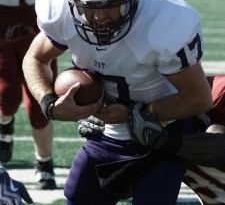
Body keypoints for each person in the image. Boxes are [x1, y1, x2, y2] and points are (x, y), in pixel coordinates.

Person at [22, 0, 212, 205]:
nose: (98, 17)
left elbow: (198, 99)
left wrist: (138, 113)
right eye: (88, 7)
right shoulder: (62, 12)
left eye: (109, 6)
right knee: (77, 199)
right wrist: (49, 103)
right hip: (105, 134)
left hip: (160, 134)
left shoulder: (162, 23)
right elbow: (34, 58)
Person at [78, 74, 225, 205]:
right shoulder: (172, 111)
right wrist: (110, 138)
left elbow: (217, 150)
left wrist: (162, 140)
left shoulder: (213, 96)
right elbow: (127, 189)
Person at [0, 0, 67, 190]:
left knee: (42, 104)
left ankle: (45, 162)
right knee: (6, 96)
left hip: (40, 30)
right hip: (1, 30)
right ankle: (4, 126)